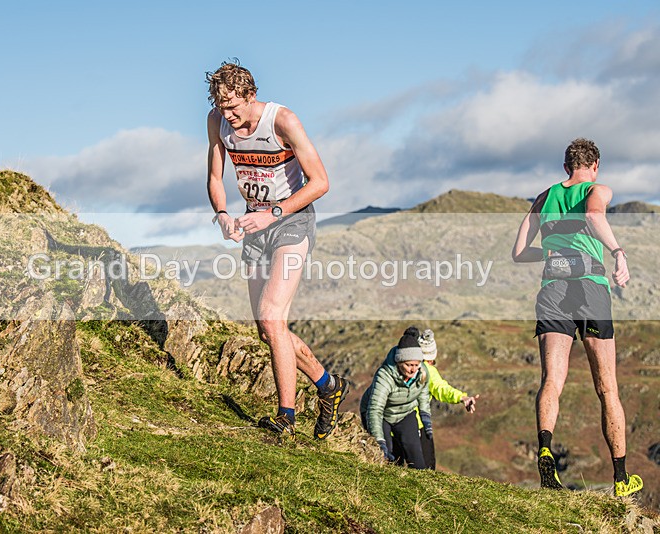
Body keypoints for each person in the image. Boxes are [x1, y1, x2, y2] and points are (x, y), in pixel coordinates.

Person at [205, 61, 347, 439]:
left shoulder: (283, 121)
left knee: (271, 315)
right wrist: (221, 214)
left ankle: (286, 417)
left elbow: (320, 182)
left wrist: (274, 214)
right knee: (269, 330)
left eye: (234, 106)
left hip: (290, 221)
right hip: (254, 224)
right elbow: (215, 176)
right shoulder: (217, 122)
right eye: (222, 107)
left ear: (250, 95)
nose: (228, 115)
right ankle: (329, 385)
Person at [512, 138, 642, 497]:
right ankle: (620, 478)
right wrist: (618, 252)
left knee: (552, 380)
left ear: (565, 166)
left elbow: (519, 252)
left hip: (553, 289)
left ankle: (544, 450)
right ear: (595, 164)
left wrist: (556, 256)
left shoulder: (544, 197)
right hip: (590, 289)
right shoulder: (598, 189)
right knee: (607, 387)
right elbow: (592, 215)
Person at [360, 326, 431, 469]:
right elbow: (375, 410)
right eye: (409, 365)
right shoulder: (384, 376)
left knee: (417, 461)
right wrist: (379, 441)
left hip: (405, 413)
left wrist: (425, 415)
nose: (413, 369)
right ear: (399, 362)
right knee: (386, 458)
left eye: (416, 364)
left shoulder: (422, 372)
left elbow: (423, 392)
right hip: (381, 415)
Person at [416, 328, 480, 470]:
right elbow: (442, 389)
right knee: (426, 467)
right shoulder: (427, 370)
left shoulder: (403, 364)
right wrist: (462, 397)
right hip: (417, 424)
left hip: (392, 422)